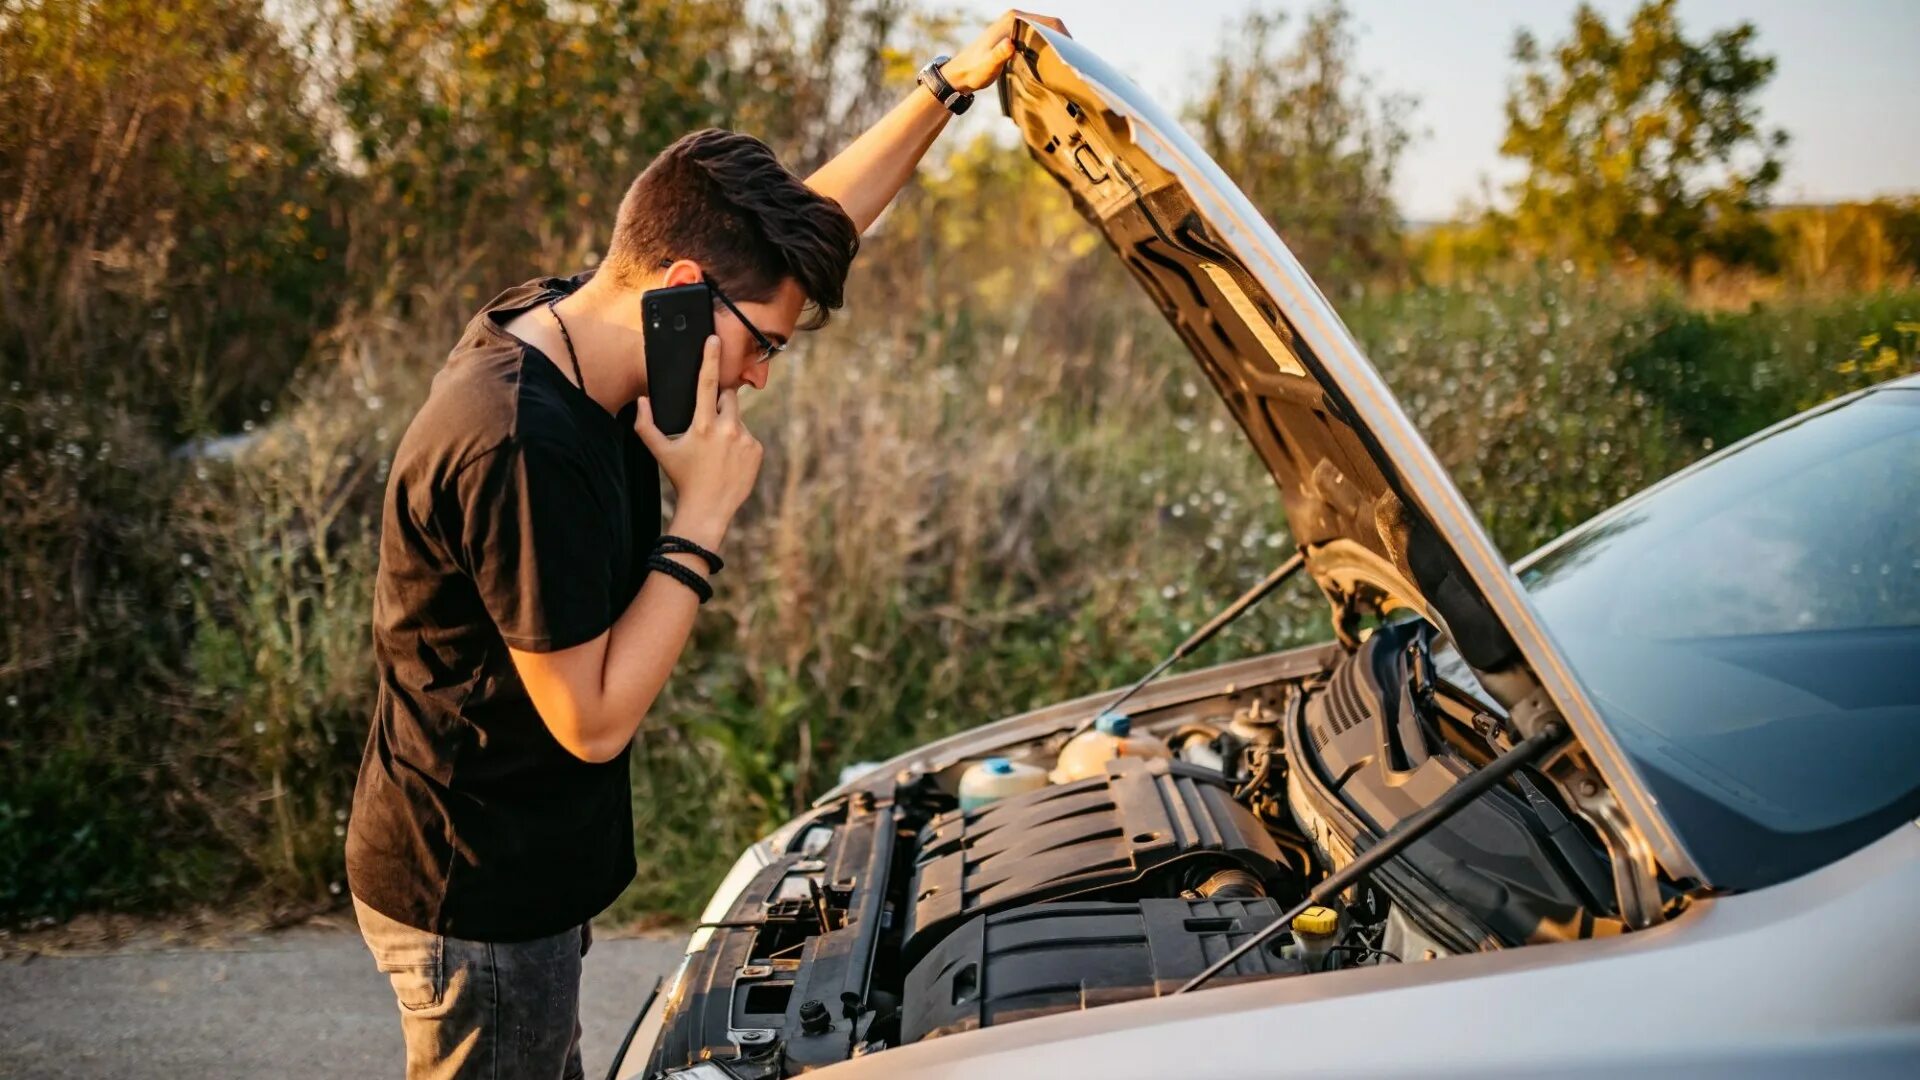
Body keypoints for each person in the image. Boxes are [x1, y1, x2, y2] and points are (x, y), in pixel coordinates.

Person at [344, 11, 1070, 1079]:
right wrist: (704, 515)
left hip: (521, 854)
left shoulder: (586, 320)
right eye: (764, 345)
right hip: (479, 893)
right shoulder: (517, 444)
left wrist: (948, 90)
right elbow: (590, 720)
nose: (763, 376)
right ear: (684, 294)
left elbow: (809, 230)